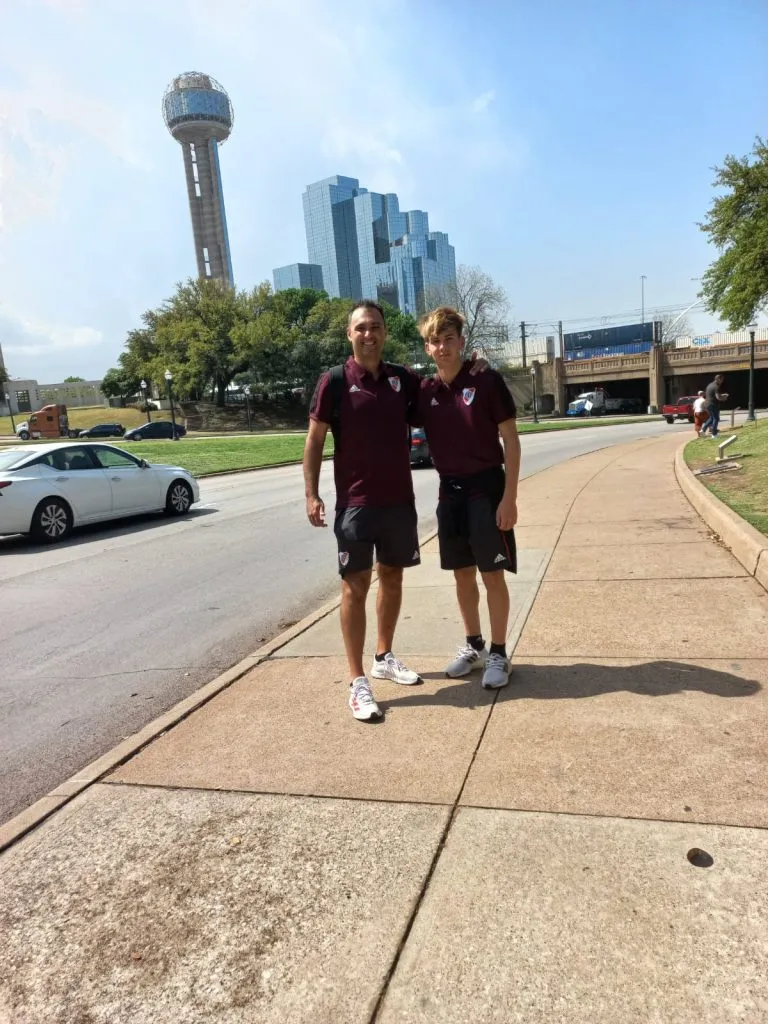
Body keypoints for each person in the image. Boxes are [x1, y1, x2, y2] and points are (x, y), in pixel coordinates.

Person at [303, 300, 486, 722]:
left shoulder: (402, 380)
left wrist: (474, 366)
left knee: (392, 577)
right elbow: (314, 440)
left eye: (375, 327)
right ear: (350, 334)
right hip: (355, 503)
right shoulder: (334, 381)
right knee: (354, 586)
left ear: (385, 333)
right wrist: (311, 494)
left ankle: (383, 657)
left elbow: (444, 385)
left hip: (398, 502)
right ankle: (356, 681)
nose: (369, 334)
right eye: (361, 328)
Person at [416, 306, 521, 690]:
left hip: (486, 489)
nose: (442, 347)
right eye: (435, 341)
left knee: (491, 573)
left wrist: (509, 498)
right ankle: (474, 645)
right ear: (427, 348)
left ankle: (499, 652)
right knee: (462, 574)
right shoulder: (425, 392)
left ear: (461, 342)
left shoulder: (486, 380)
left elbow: (511, 440)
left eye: (449, 339)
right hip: (450, 493)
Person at [701, 374, 729, 438]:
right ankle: (714, 434)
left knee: (712, 418)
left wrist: (722, 395)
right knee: (716, 418)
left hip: (707, 404)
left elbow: (712, 394)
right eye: (722, 380)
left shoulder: (710, 385)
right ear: (718, 379)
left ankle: (703, 430)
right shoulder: (716, 386)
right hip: (713, 404)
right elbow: (718, 397)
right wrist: (724, 398)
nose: (722, 381)